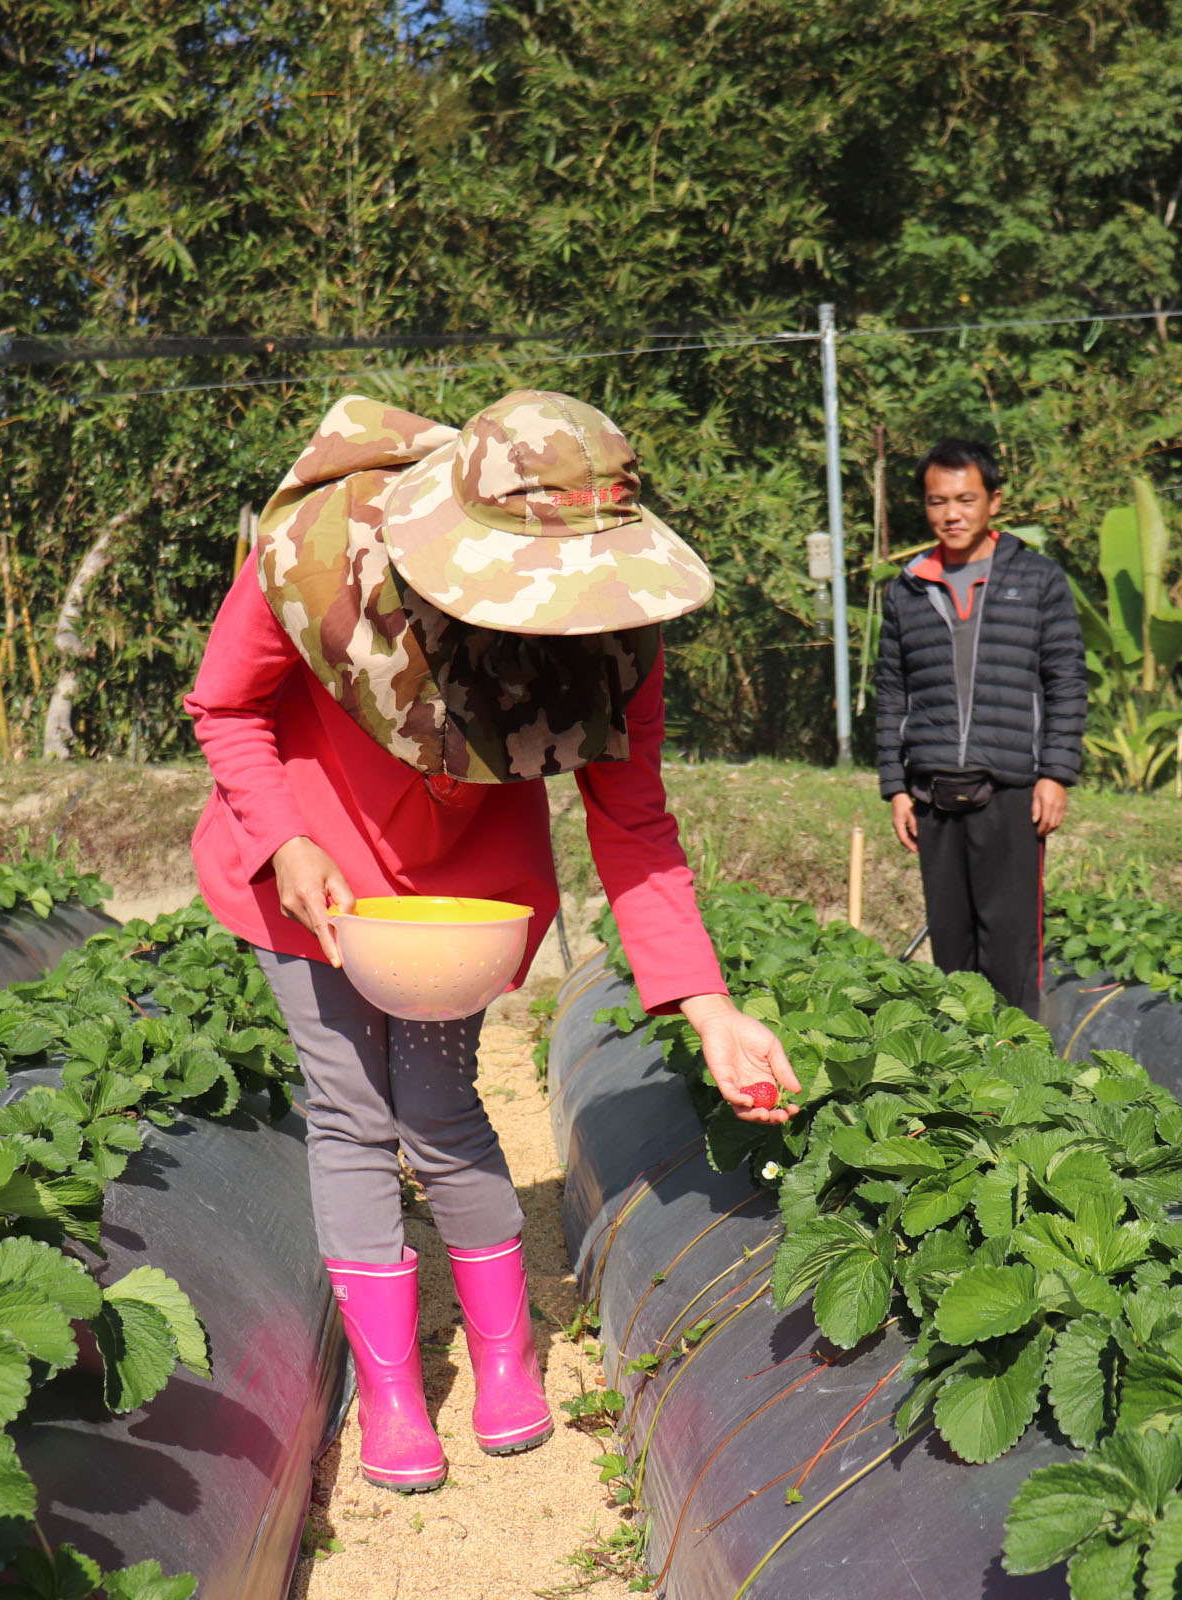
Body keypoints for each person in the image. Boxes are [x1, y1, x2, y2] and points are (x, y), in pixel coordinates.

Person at [184, 390, 797, 1495]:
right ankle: (392, 1387)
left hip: (461, 896)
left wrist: (710, 1007)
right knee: (352, 1112)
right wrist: (281, 840)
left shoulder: (615, 637)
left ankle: (506, 1356)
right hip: (305, 871)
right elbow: (225, 708)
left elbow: (634, 821)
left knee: (440, 1105)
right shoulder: (315, 557)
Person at [874, 437, 1086, 1017]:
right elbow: (892, 691)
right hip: (932, 792)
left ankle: (1018, 1078)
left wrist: (1056, 774)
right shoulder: (907, 589)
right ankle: (960, 1081)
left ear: (993, 501)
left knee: (1011, 947)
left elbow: (1065, 680)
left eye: (965, 499)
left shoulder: (1038, 580)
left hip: (1013, 790)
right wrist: (894, 785)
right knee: (952, 953)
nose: (952, 514)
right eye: (938, 502)